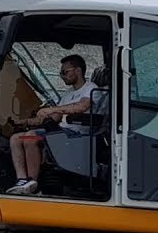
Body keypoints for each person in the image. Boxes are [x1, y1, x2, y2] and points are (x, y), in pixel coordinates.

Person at [5, 54, 98, 195]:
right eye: (61, 73)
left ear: (78, 70)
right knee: (16, 138)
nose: (62, 76)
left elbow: (82, 106)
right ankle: (22, 179)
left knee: (31, 137)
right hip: (62, 133)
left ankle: (32, 181)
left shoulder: (90, 88)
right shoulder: (68, 93)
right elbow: (55, 117)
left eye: (65, 72)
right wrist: (24, 122)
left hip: (77, 135)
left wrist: (51, 109)